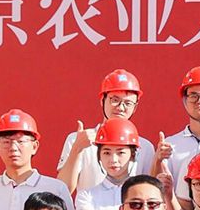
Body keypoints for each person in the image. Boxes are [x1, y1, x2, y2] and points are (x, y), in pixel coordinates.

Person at [56, 69, 154, 201]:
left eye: (128, 103)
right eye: (115, 100)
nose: (121, 107)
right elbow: (62, 191)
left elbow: (150, 192)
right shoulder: (78, 139)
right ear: (102, 100)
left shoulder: (145, 147)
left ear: (135, 107)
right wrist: (77, 148)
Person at [73, 118, 141, 210]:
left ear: (133, 154)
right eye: (106, 153)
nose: (113, 160)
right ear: (99, 156)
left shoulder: (143, 192)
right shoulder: (88, 195)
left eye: (120, 153)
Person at [155, 65, 200, 188]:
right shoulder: (170, 145)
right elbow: (156, 188)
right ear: (185, 100)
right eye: (193, 96)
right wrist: (157, 160)